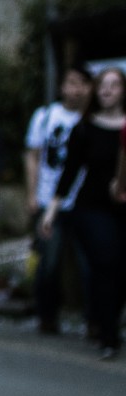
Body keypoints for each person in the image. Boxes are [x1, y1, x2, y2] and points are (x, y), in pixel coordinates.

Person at [41, 65, 126, 358]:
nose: (107, 90)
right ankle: (107, 335)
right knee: (107, 262)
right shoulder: (85, 128)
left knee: (119, 270)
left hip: (121, 208)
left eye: (114, 85)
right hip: (92, 209)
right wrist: (51, 211)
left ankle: (109, 321)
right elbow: (70, 172)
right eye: (103, 85)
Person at [25, 65, 92, 334]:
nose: (75, 90)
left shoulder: (92, 120)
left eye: (81, 84)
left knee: (89, 262)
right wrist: (31, 193)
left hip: (85, 200)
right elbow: (33, 155)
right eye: (70, 83)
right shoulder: (46, 116)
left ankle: (94, 320)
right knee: (49, 262)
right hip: (48, 198)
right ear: (61, 86)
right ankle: (47, 315)